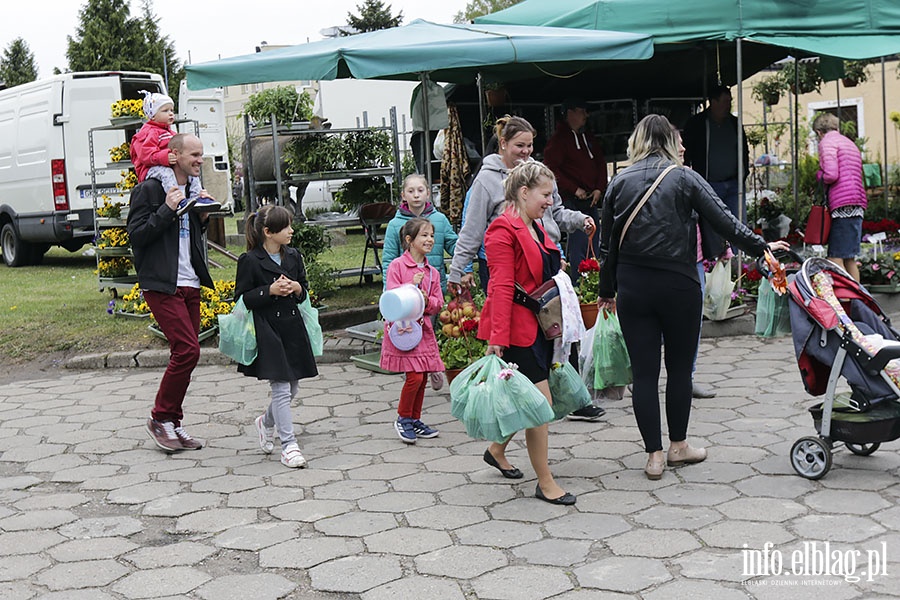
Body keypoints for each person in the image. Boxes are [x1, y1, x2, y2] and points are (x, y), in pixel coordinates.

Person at [596, 115, 788, 481]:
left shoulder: (618, 182)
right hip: (679, 284)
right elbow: (725, 220)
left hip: (633, 286)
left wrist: (606, 291)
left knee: (645, 373)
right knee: (681, 369)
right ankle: (678, 446)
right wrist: (761, 247)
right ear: (670, 143)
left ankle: (653, 456)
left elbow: (607, 248)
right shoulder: (684, 178)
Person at [447, 115, 603, 422]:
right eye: (519, 145)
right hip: (511, 269)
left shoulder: (538, 175)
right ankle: (526, 403)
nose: (525, 151)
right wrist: (456, 269)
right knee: (524, 343)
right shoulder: (487, 181)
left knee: (559, 330)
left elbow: (556, 212)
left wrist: (577, 221)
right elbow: (472, 229)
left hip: (547, 263)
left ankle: (564, 397)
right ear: (503, 144)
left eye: (530, 145)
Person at [479, 161, 576, 505]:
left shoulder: (533, 225)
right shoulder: (501, 231)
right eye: (546, 194)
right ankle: (545, 482)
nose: (551, 201)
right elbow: (502, 287)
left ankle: (496, 450)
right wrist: (497, 340)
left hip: (538, 326)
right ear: (524, 192)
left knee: (526, 400)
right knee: (540, 403)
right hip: (516, 330)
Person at [127, 133, 217, 452]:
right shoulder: (150, 188)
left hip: (189, 280)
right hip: (162, 282)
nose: (200, 160)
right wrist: (166, 209)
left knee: (188, 354)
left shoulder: (192, 189)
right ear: (174, 155)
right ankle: (160, 418)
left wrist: (201, 218)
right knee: (187, 350)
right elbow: (136, 235)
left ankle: (173, 424)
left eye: (202, 154)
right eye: (194, 154)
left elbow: (186, 236)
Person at [236, 204, 318, 468]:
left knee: (293, 386)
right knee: (281, 387)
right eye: (286, 227)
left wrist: (295, 288)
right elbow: (241, 299)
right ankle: (289, 445)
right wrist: (268, 290)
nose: (291, 231)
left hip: (292, 329)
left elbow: (304, 290)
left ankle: (266, 422)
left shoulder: (293, 256)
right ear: (269, 232)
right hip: (268, 331)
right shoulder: (249, 260)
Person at [380, 218, 446, 444]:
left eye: (431, 235)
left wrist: (428, 300)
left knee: (423, 376)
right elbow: (392, 296)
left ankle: (414, 419)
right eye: (424, 235)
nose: (430, 240)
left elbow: (438, 302)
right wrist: (412, 287)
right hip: (404, 331)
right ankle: (403, 418)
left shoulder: (432, 272)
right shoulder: (397, 266)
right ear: (409, 240)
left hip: (423, 330)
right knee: (415, 377)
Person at [543, 97, 607, 282]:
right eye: (581, 111)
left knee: (593, 241)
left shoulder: (588, 138)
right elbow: (551, 169)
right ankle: (579, 283)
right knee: (579, 245)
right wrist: (573, 188)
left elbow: (600, 162)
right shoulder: (558, 141)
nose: (586, 115)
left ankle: (594, 282)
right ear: (569, 113)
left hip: (590, 199)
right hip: (571, 200)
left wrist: (598, 188)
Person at [130, 90, 221, 215]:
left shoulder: (170, 132)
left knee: (192, 174)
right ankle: (177, 199)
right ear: (152, 115)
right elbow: (144, 155)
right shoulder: (147, 132)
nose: (171, 114)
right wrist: (164, 157)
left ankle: (197, 197)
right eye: (165, 111)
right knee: (167, 173)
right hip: (149, 168)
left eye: (172, 110)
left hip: (162, 164)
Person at [682, 85, 749, 225]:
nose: (728, 106)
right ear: (713, 102)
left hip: (734, 185)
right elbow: (686, 153)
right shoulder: (697, 124)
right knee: (711, 227)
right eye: (725, 102)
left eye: (730, 101)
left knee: (738, 226)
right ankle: (716, 248)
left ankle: (737, 248)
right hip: (709, 185)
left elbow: (744, 150)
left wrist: (744, 174)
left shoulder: (734, 123)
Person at [382, 174, 458, 295]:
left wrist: (464, 267)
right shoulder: (394, 225)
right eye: (411, 191)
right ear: (403, 196)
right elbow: (388, 260)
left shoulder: (440, 220)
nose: (416, 195)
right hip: (406, 290)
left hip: (435, 288)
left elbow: (455, 246)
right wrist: (389, 291)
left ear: (428, 193)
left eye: (420, 190)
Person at [813, 113, 867, 282]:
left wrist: (818, 175)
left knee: (835, 259)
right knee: (849, 258)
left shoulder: (827, 143)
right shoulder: (849, 143)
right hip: (857, 202)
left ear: (820, 132)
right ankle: (857, 301)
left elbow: (831, 174)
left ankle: (844, 299)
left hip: (842, 205)